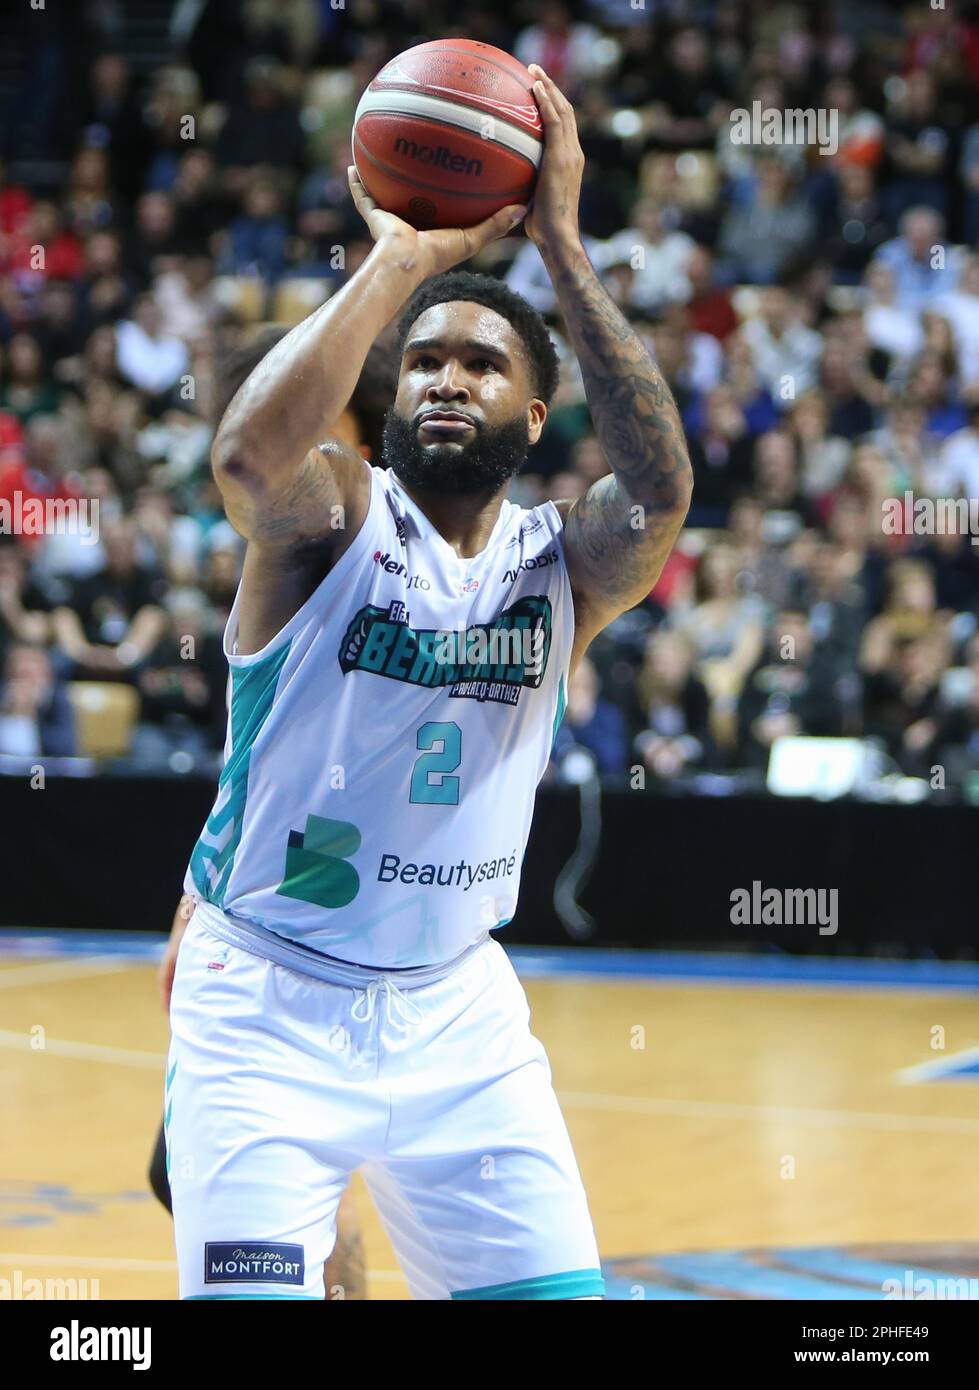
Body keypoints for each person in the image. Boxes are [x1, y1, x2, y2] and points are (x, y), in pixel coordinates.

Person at [165, 66, 692, 1301]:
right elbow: (246, 456)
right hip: (267, 1010)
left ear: (536, 413)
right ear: (389, 398)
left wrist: (558, 245)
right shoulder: (335, 520)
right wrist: (401, 259)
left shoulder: (564, 563)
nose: (446, 378)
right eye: (423, 364)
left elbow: (662, 492)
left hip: (459, 1016)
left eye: (480, 364)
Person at [152, 324, 396, 1299]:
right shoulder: (294, 532)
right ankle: (324, 1234)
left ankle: (331, 1243)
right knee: (184, 1171)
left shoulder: (362, 528)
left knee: (277, 1190)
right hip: (250, 882)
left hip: (329, 894)